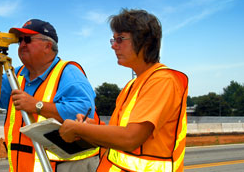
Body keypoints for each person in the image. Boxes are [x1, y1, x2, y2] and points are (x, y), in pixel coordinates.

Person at [59, 9, 189, 172]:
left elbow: (131, 138)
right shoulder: (132, 85)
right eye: (113, 40)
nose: (114, 46)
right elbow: (120, 134)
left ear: (145, 42)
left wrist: (79, 128)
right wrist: (92, 128)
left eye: (120, 39)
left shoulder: (162, 81)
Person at [0, 19, 100, 172]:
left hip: (64, 166)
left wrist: (37, 106)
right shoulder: (16, 75)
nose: (22, 45)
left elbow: (84, 112)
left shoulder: (68, 72)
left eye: (27, 39)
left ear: (48, 46)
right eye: (20, 41)